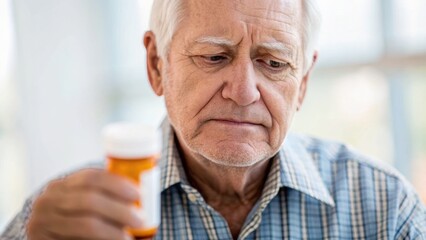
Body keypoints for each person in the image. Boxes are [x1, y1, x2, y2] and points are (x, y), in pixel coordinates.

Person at [2, 0, 426, 239]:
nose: (243, 92)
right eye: (214, 57)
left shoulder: (384, 209)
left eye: (275, 63)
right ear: (156, 65)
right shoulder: (64, 223)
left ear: (304, 82)